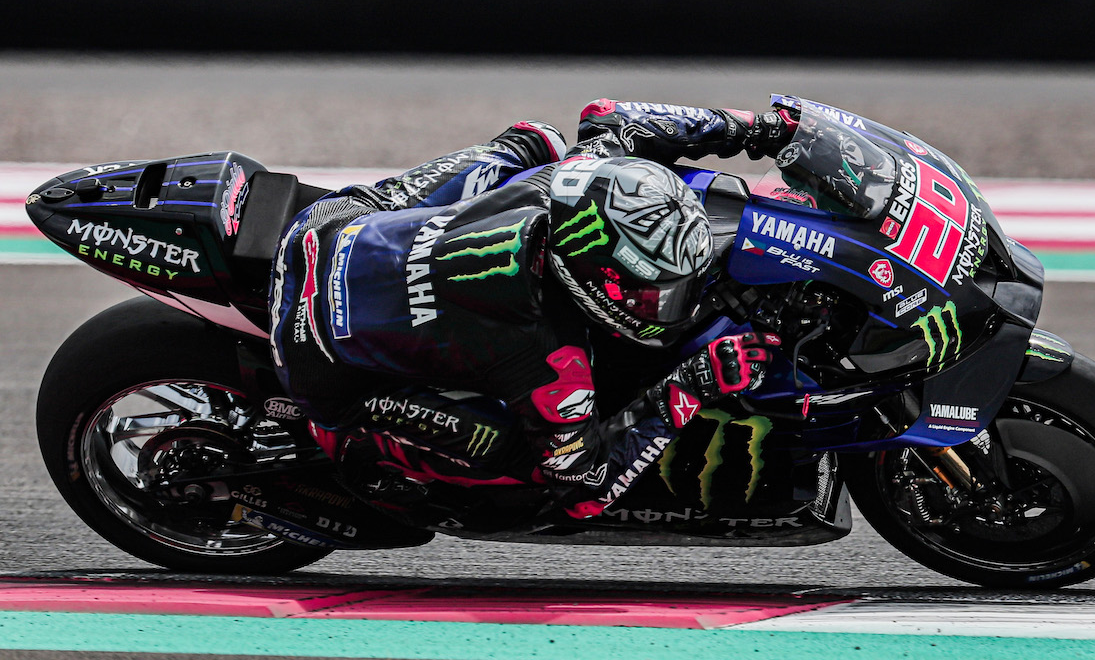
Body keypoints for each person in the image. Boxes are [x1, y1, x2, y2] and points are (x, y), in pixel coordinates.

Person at [268, 97, 799, 520]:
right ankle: (354, 445)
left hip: (327, 225)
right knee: (525, 465)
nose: (663, 305)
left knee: (536, 140)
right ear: (590, 279)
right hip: (317, 358)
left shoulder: (572, 177)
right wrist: (687, 388)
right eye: (649, 292)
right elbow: (584, 488)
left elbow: (610, 115)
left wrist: (758, 130)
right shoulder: (550, 359)